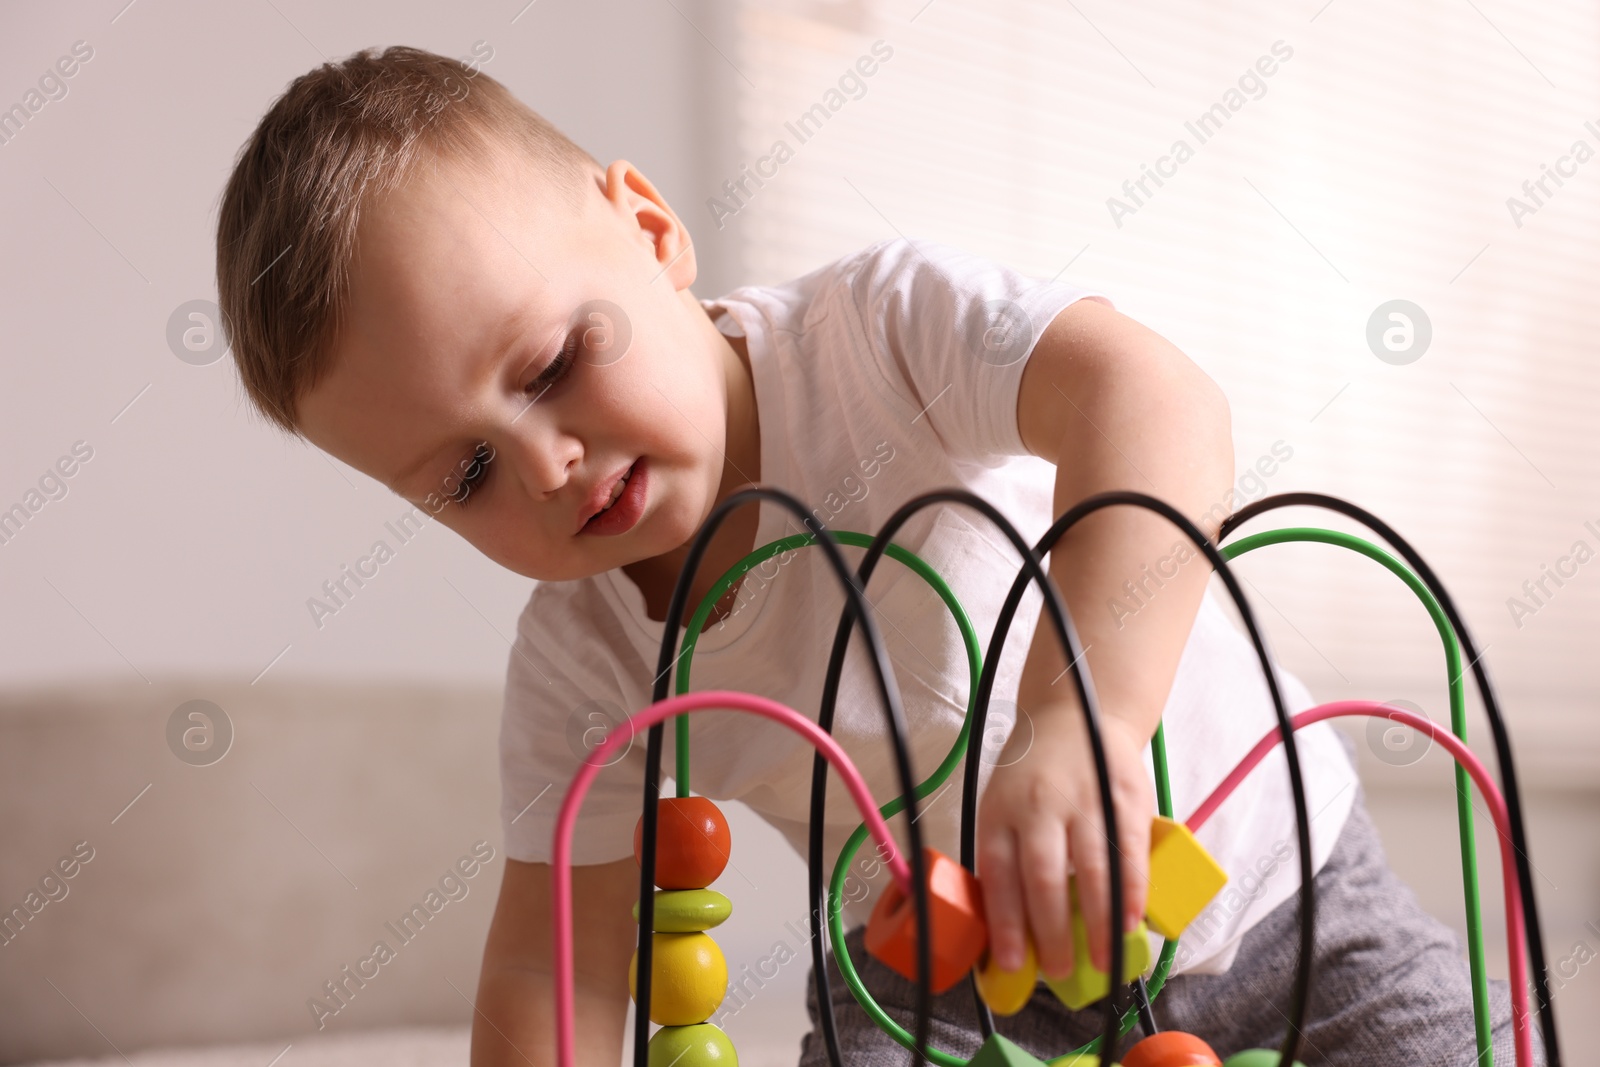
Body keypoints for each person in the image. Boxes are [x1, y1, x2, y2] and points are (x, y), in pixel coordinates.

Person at [215, 45, 1529, 1067]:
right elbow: (554, 970)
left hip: (1281, 886)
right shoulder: (587, 665)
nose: (546, 463)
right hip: (942, 980)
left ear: (653, 232)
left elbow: (1156, 401)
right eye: (465, 475)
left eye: (555, 364)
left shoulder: (885, 332)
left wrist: (1086, 722)